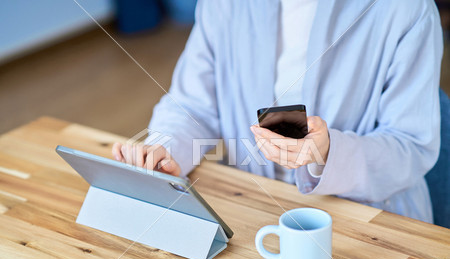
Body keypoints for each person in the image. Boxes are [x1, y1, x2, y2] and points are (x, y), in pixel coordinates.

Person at [112, 0, 443, 223]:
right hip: (250, 209)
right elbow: (192, 103)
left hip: (369, 216)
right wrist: (164, 150)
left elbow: (410, 147)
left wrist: (328, 152)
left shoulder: (407, 10)